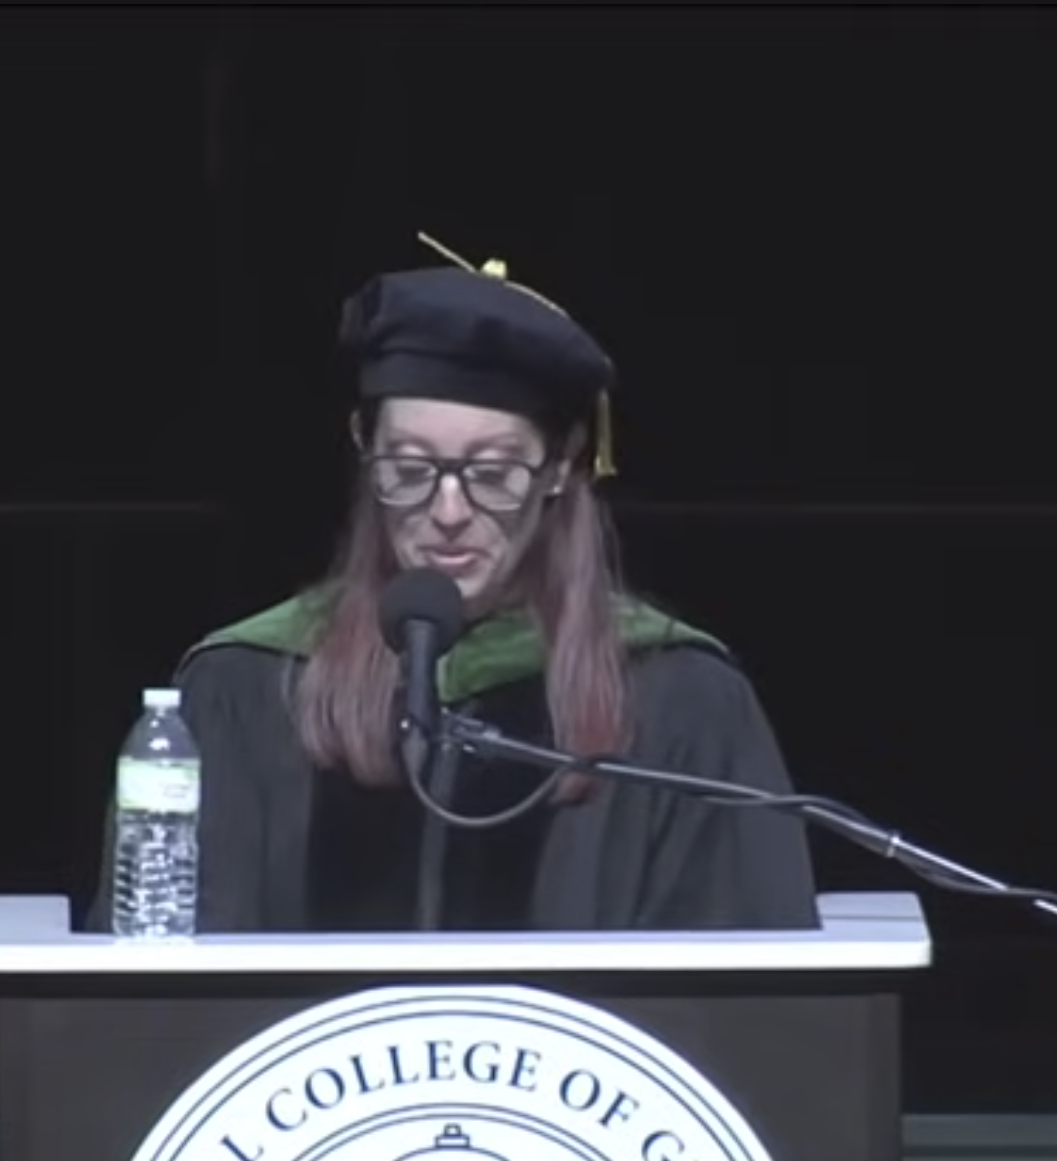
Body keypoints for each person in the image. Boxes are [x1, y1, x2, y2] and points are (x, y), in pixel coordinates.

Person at [119, 249, 818, 934]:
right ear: (364, 448)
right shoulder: (247, 685)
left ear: (561, 464)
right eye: (409, 468)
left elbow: (743, 986)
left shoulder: (682, 699)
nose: (448, 510)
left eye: (491, 473)